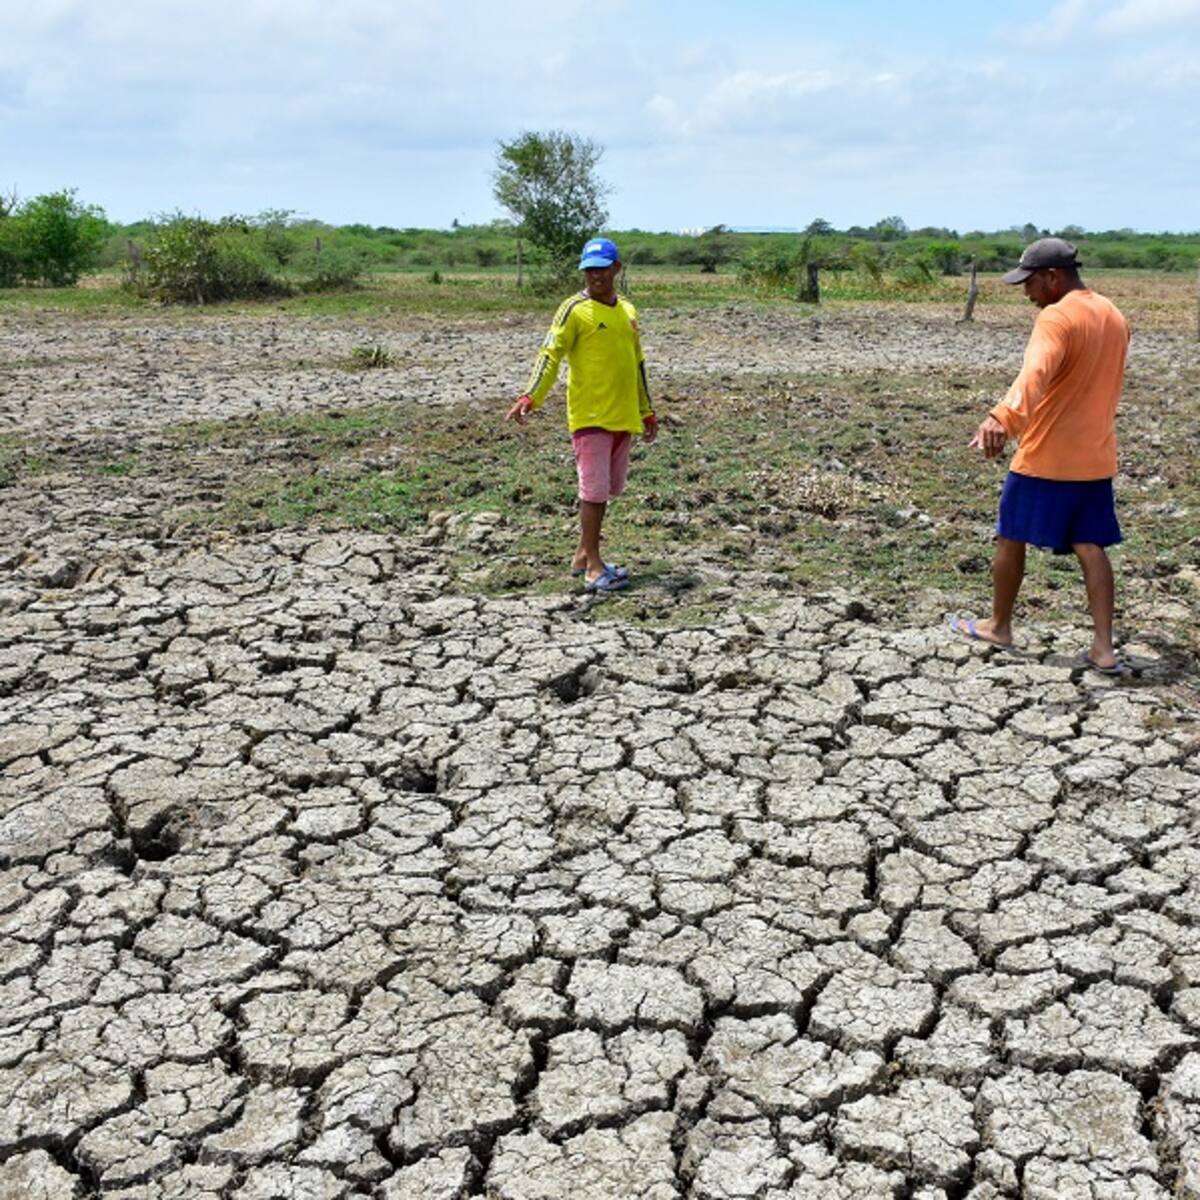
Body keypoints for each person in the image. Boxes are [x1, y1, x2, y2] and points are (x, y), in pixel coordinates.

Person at [951, 237, 1131, 673]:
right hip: (1095, 456)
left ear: (1053, 277)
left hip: (1047, 456)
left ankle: (999, 625)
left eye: (1029, 283)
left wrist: (1002, 418)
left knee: (1011, 536)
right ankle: (1104, 648)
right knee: (1091, 545)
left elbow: (1035, 373)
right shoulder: (1113, 314)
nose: (1027, 294)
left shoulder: (1057, 317)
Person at [506, 237, 657, 593]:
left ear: (617, 268)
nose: (596, 276)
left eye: (602, 268)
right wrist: (532, 395)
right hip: (590, 416)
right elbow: (550, 354)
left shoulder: (628, 312)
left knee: (608, 489)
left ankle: (581, 556)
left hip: (623, 416)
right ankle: (593, 567)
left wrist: (647, 411)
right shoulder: (573, 309)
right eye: (590, 269)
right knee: (593, 492)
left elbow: (637, 365)